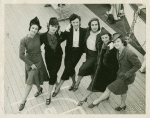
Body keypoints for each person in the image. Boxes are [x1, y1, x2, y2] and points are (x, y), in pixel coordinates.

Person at [88, 33, 141, 111]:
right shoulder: (117, 50)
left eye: (118, 41)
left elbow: (138, 65)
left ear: (123, 42)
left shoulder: (129, 53)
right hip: (120, 74)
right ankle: (123, 105)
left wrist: (126, 75)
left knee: (109, 88)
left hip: (126, 77)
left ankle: (96, 101)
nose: (116, 43)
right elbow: (106, 57)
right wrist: (109, 49)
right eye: (115, 42)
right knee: (123, 90)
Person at [77, 31, 119, 106]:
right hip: (100, 69)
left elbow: (111, 60)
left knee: (102, 85)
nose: (105, 39)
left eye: (106, 37)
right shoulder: (100, 44)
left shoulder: (112, 47)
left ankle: (86, 98)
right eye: (103, 38)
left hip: (108, 71)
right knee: (94, 84)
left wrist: (110, 50)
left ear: (109, 37)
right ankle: (84, 98)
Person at [52, 13, 87, 97]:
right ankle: (74, 83)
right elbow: (60, 39)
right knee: (69, 67)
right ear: (70, 23)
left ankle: (58, 88)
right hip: (69, 51)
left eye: (77, 22)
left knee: (68, 68)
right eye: (73, 22)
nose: (75, 24)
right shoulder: (68, 30)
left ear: (80, 22)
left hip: (78, 52)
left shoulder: (84, 31)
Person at [19, 17, 49, 111]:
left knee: (32, 80)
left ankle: (23, 100)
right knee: (32, 79)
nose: (34, 30)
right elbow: (21, 55)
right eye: (33, 28)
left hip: (39, 61)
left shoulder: (39, 36)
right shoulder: (23, 40)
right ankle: (37, 91)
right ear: (30, 27)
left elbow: (49, 34)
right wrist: (31, 64)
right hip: (30, 62)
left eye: (36, 29)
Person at [73, 18, 109, 92]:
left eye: (96, 24)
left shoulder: (102, 33)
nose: (94, 26)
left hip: (96, 56)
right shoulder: (87, 31)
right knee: (92, 72)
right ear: (90, 26)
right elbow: (78, 29)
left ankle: (77, 83)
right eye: (92, 25)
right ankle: (94, 86)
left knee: (82, 69)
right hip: (88, 54)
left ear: (98, 25)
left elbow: (109, 39)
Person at [40, 17, 63, 105]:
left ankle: (48, 95)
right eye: (52, 26)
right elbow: (37, 45)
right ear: (48, 26)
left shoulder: (59, 34)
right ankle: (56, 85)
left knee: (53, 74)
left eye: (56, 27)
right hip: (48, 58)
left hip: (58, 58)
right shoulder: (43, 36)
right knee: (52, 74)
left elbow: (69, 35)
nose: (54, 28)